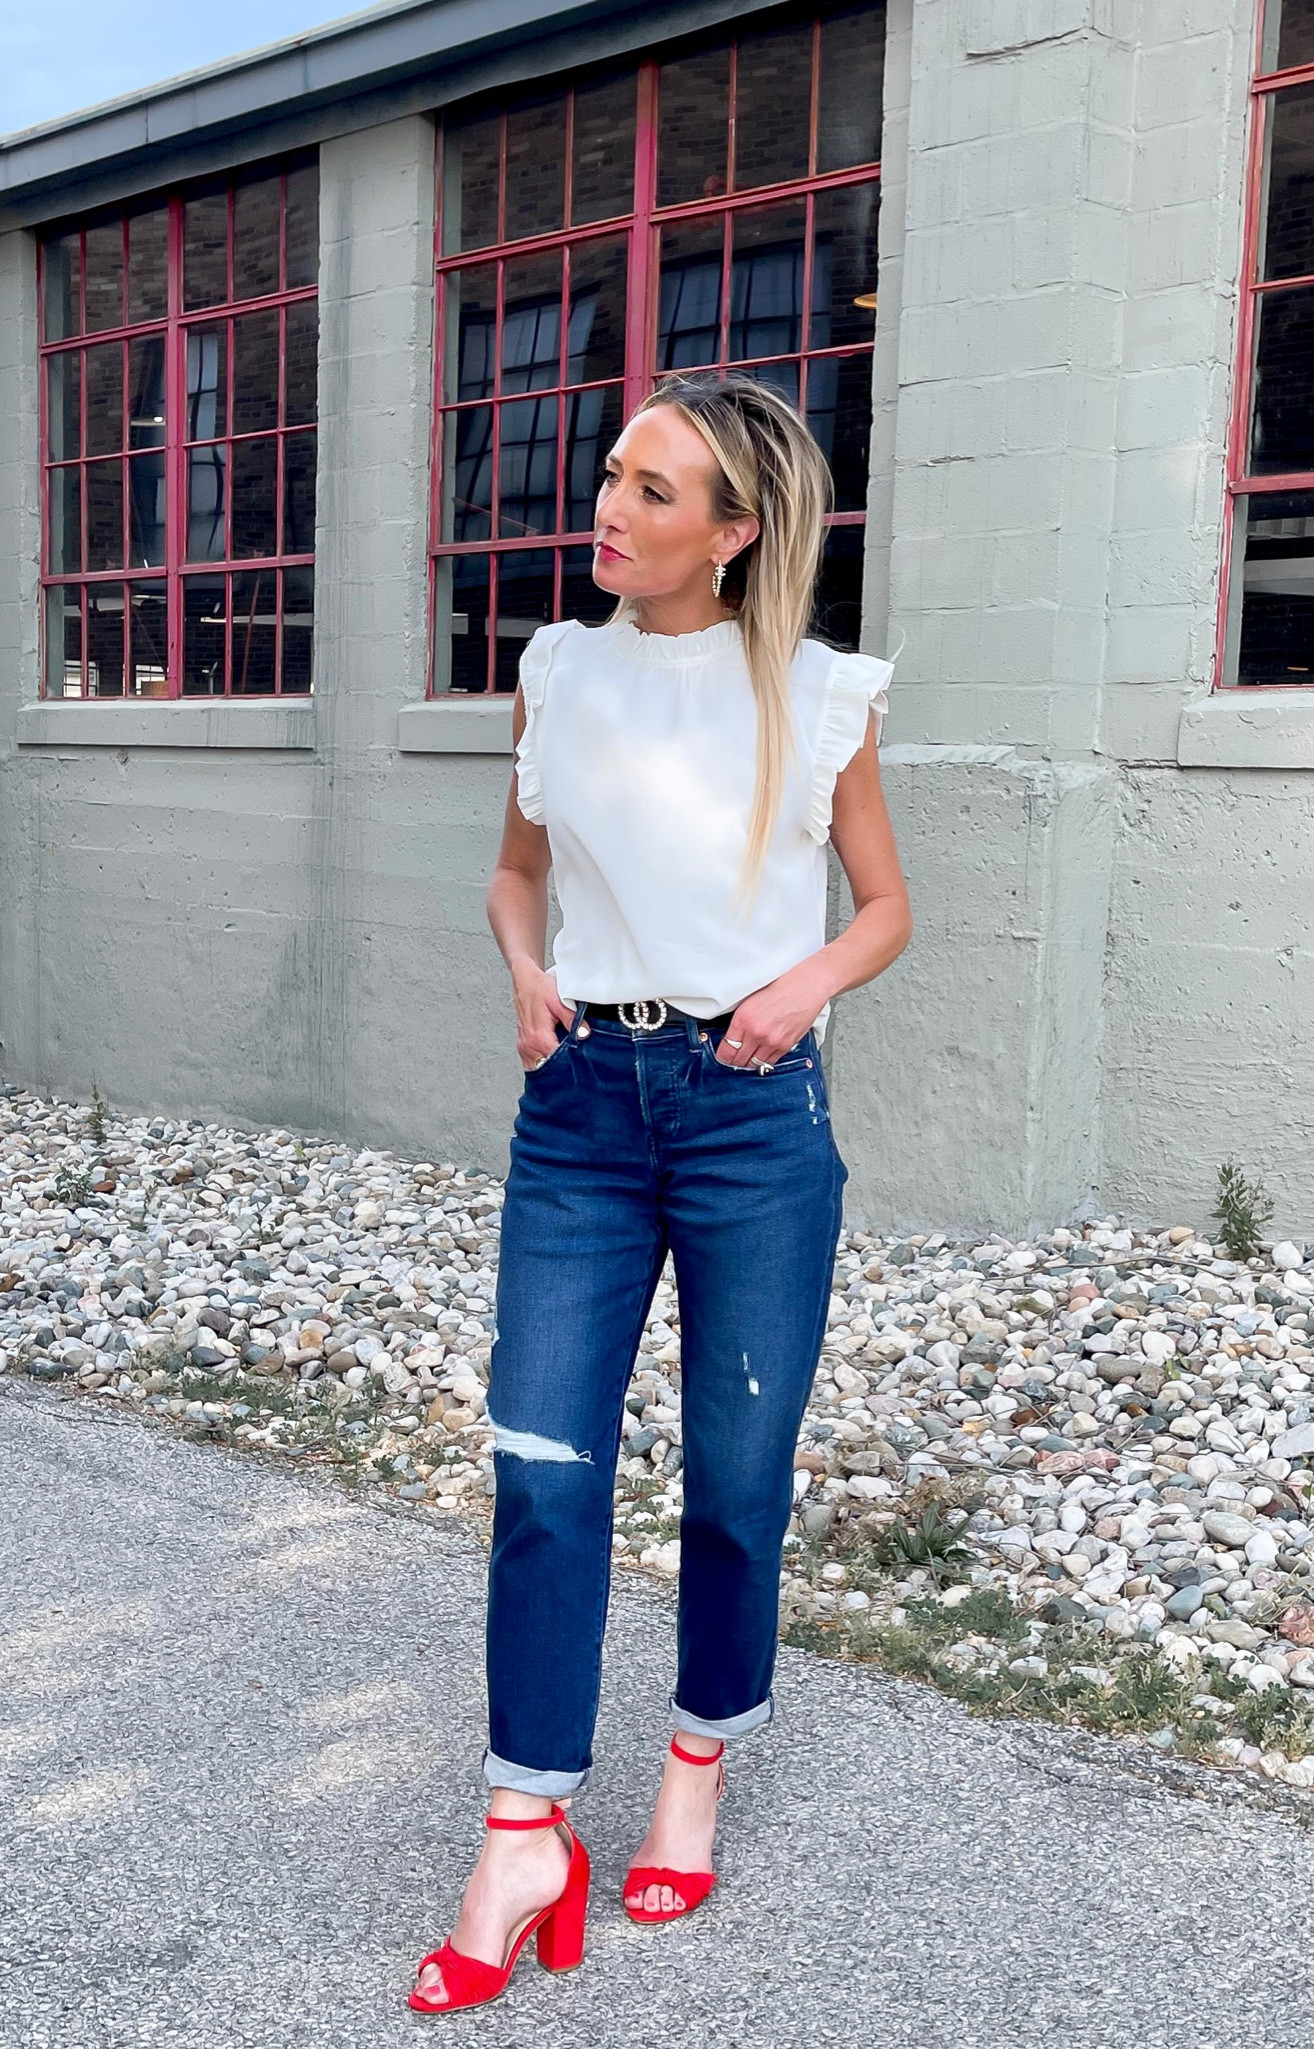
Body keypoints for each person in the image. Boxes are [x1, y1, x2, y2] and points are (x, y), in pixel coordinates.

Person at [410, 371, 912, 2014]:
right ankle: (522, 1829)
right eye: (613, 474)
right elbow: (514, 871)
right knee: (540, 1464)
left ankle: (696, 1760)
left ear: (736, 530)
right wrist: (516, 972)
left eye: (653, 488)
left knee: (731, 1474)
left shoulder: (817, 694)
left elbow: (887, 905)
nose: (608, 508)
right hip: (581, 1109)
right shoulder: (556, 673)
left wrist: (799, 986)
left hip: (753, 1114)